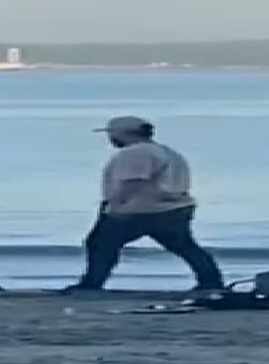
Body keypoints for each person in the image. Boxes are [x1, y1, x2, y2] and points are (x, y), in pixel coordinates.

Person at [65, 115, 223, 293]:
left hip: (139, 209)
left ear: (121, 133)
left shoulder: (136, 153)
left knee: (101, 243)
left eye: (111, 134)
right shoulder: (167, 151)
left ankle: (91, 285)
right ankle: (211, 282)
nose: (110, 139)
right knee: (185, 246)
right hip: (175, 207)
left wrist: (115, 206)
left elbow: (134, 182)